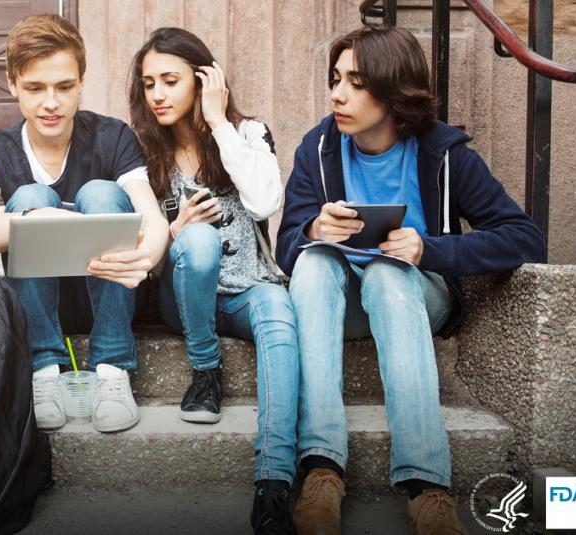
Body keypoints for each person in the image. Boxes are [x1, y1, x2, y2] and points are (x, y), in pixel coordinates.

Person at [275, 24, 546, 535]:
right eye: (335, 79)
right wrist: (312, 228)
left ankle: (428, 489)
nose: (337, 94)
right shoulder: (317, 149)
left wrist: (430, 249)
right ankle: (321, 470)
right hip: (337, 303)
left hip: (414, 296)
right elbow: (286, 245)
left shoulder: (446, 154)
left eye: (356, 82)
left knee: (387, 272)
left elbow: (524, 238)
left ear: (393, 89)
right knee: (312, 262)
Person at [0, 14, 169, 434]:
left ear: (81, 81)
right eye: (35, 88)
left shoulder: (112, 137)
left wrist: (144, 258)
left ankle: (112, 369)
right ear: (12, 83)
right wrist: (37, 217)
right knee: (30, 198)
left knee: (99, 192)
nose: (51, 103)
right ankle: (44, 371)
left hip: (108, 292)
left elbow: (152, 216)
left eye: (64, 87)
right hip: (39, 303)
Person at [129, 27, 299, 534]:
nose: (157, 94)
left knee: (277, 308)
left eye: (171, 80)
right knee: (198, 243)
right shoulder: (139, 151)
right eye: (148, 83)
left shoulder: (247, 133)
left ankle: (274, 484)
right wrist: (177, 230)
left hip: (247, 288)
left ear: (204, 80)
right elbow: (145, 257)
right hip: (184, 294)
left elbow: (267, 203)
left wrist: (220, 121)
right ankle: (206, 370)